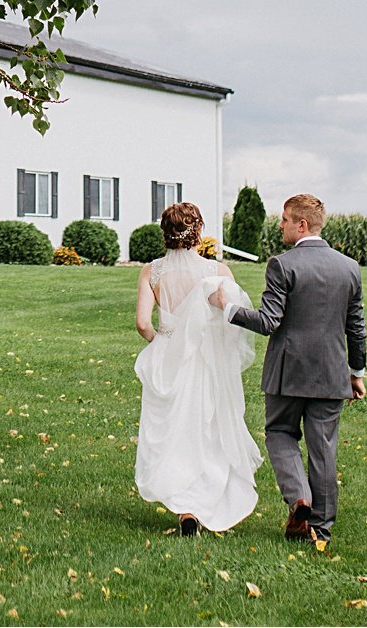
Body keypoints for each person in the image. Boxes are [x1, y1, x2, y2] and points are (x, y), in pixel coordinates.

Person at [221, 192, 367, 556]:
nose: (281, 224)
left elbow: (269, 322)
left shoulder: (282, 265)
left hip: (288, 373)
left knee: (280, 433)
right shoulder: (349, 267)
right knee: (323, 450)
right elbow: (356, 327)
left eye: (285, 219)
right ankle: (321, 530)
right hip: (332, 374)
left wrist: (229, 309)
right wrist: (357, 371)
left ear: (302, 224)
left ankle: (299, 498)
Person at [133, 200, 262, 534]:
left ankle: (185, 507)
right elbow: (231, 319)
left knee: (174, 433)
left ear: (165, 233)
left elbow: (143, 323)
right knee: (206, 429)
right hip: (205, 361)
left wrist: (163, 342)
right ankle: (203, 502)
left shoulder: (152, 271)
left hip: (169, 359)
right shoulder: (216, 272)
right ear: (198, 231)